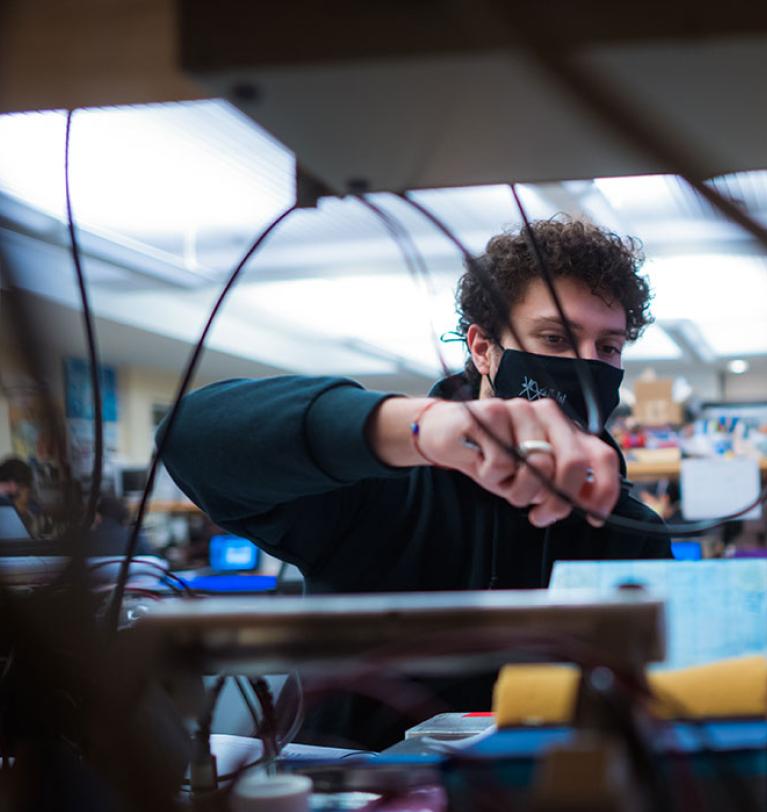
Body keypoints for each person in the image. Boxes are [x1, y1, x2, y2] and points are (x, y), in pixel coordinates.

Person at [161, 219, 671, 744]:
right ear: (482, 348)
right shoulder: (378, 486)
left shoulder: (627, 529)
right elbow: (191, 436)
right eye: (555, 338)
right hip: (363, 800)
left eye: (608, 347)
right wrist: (418, 429)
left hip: (547, 804)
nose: (586, 366)